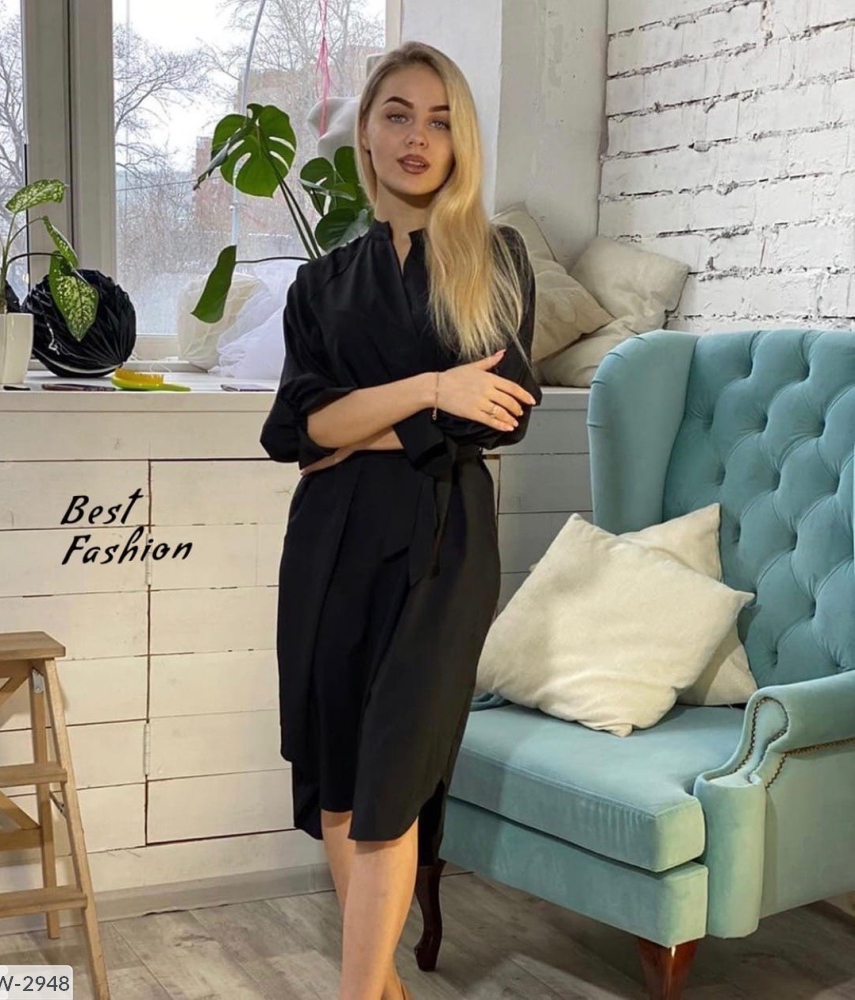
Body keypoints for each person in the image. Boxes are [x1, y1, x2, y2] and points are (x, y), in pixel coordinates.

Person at [259, 40, 542, 1000]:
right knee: (340, 789)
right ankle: (379, 988)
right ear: (367, 138)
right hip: (329, 544)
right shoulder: (320, 285)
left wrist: (354, 421)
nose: (419, 137)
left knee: (388, 790)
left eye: (441, 120)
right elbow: (297, 431)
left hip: (442, 543)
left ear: (461, 143)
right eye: (398, 115)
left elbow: (499, 414)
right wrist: (430, 389)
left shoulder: (496, 259)